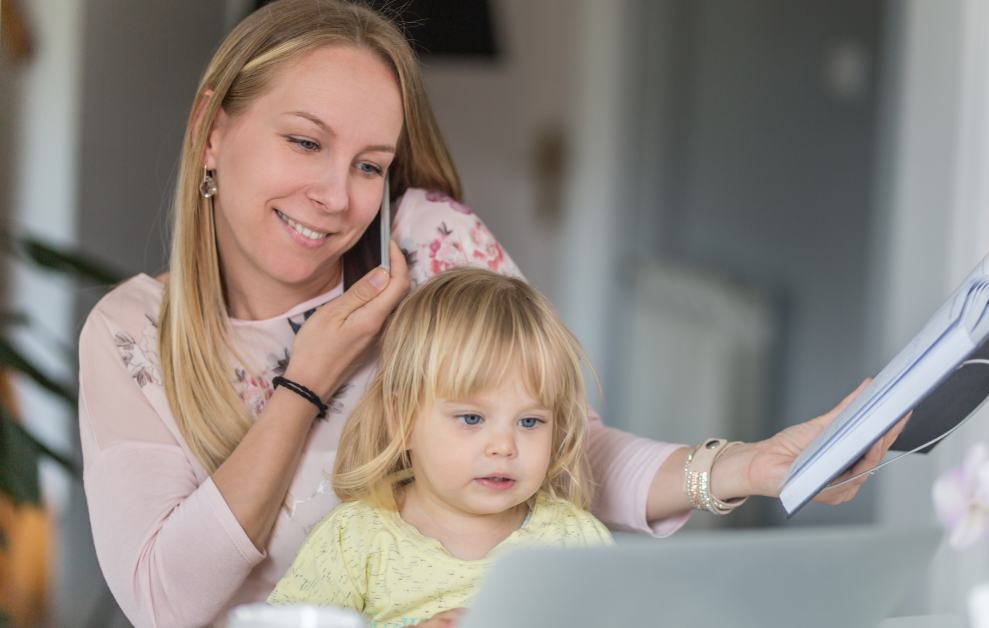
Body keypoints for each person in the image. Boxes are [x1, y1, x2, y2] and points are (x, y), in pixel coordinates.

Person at [76, 1, 904, 626]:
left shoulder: (427, 245)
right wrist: (307, 385)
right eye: (305, 143)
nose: (335, 198)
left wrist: (746, 468)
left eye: (370, 164)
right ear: (211, 131)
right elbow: (164, 603)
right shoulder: (133, 335)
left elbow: (565, 443)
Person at [267, 268, 613, 627]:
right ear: (402, 421)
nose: (504, 447)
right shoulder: (355, 540)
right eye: (471, 418)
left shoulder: (575, 542)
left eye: (529, 422)